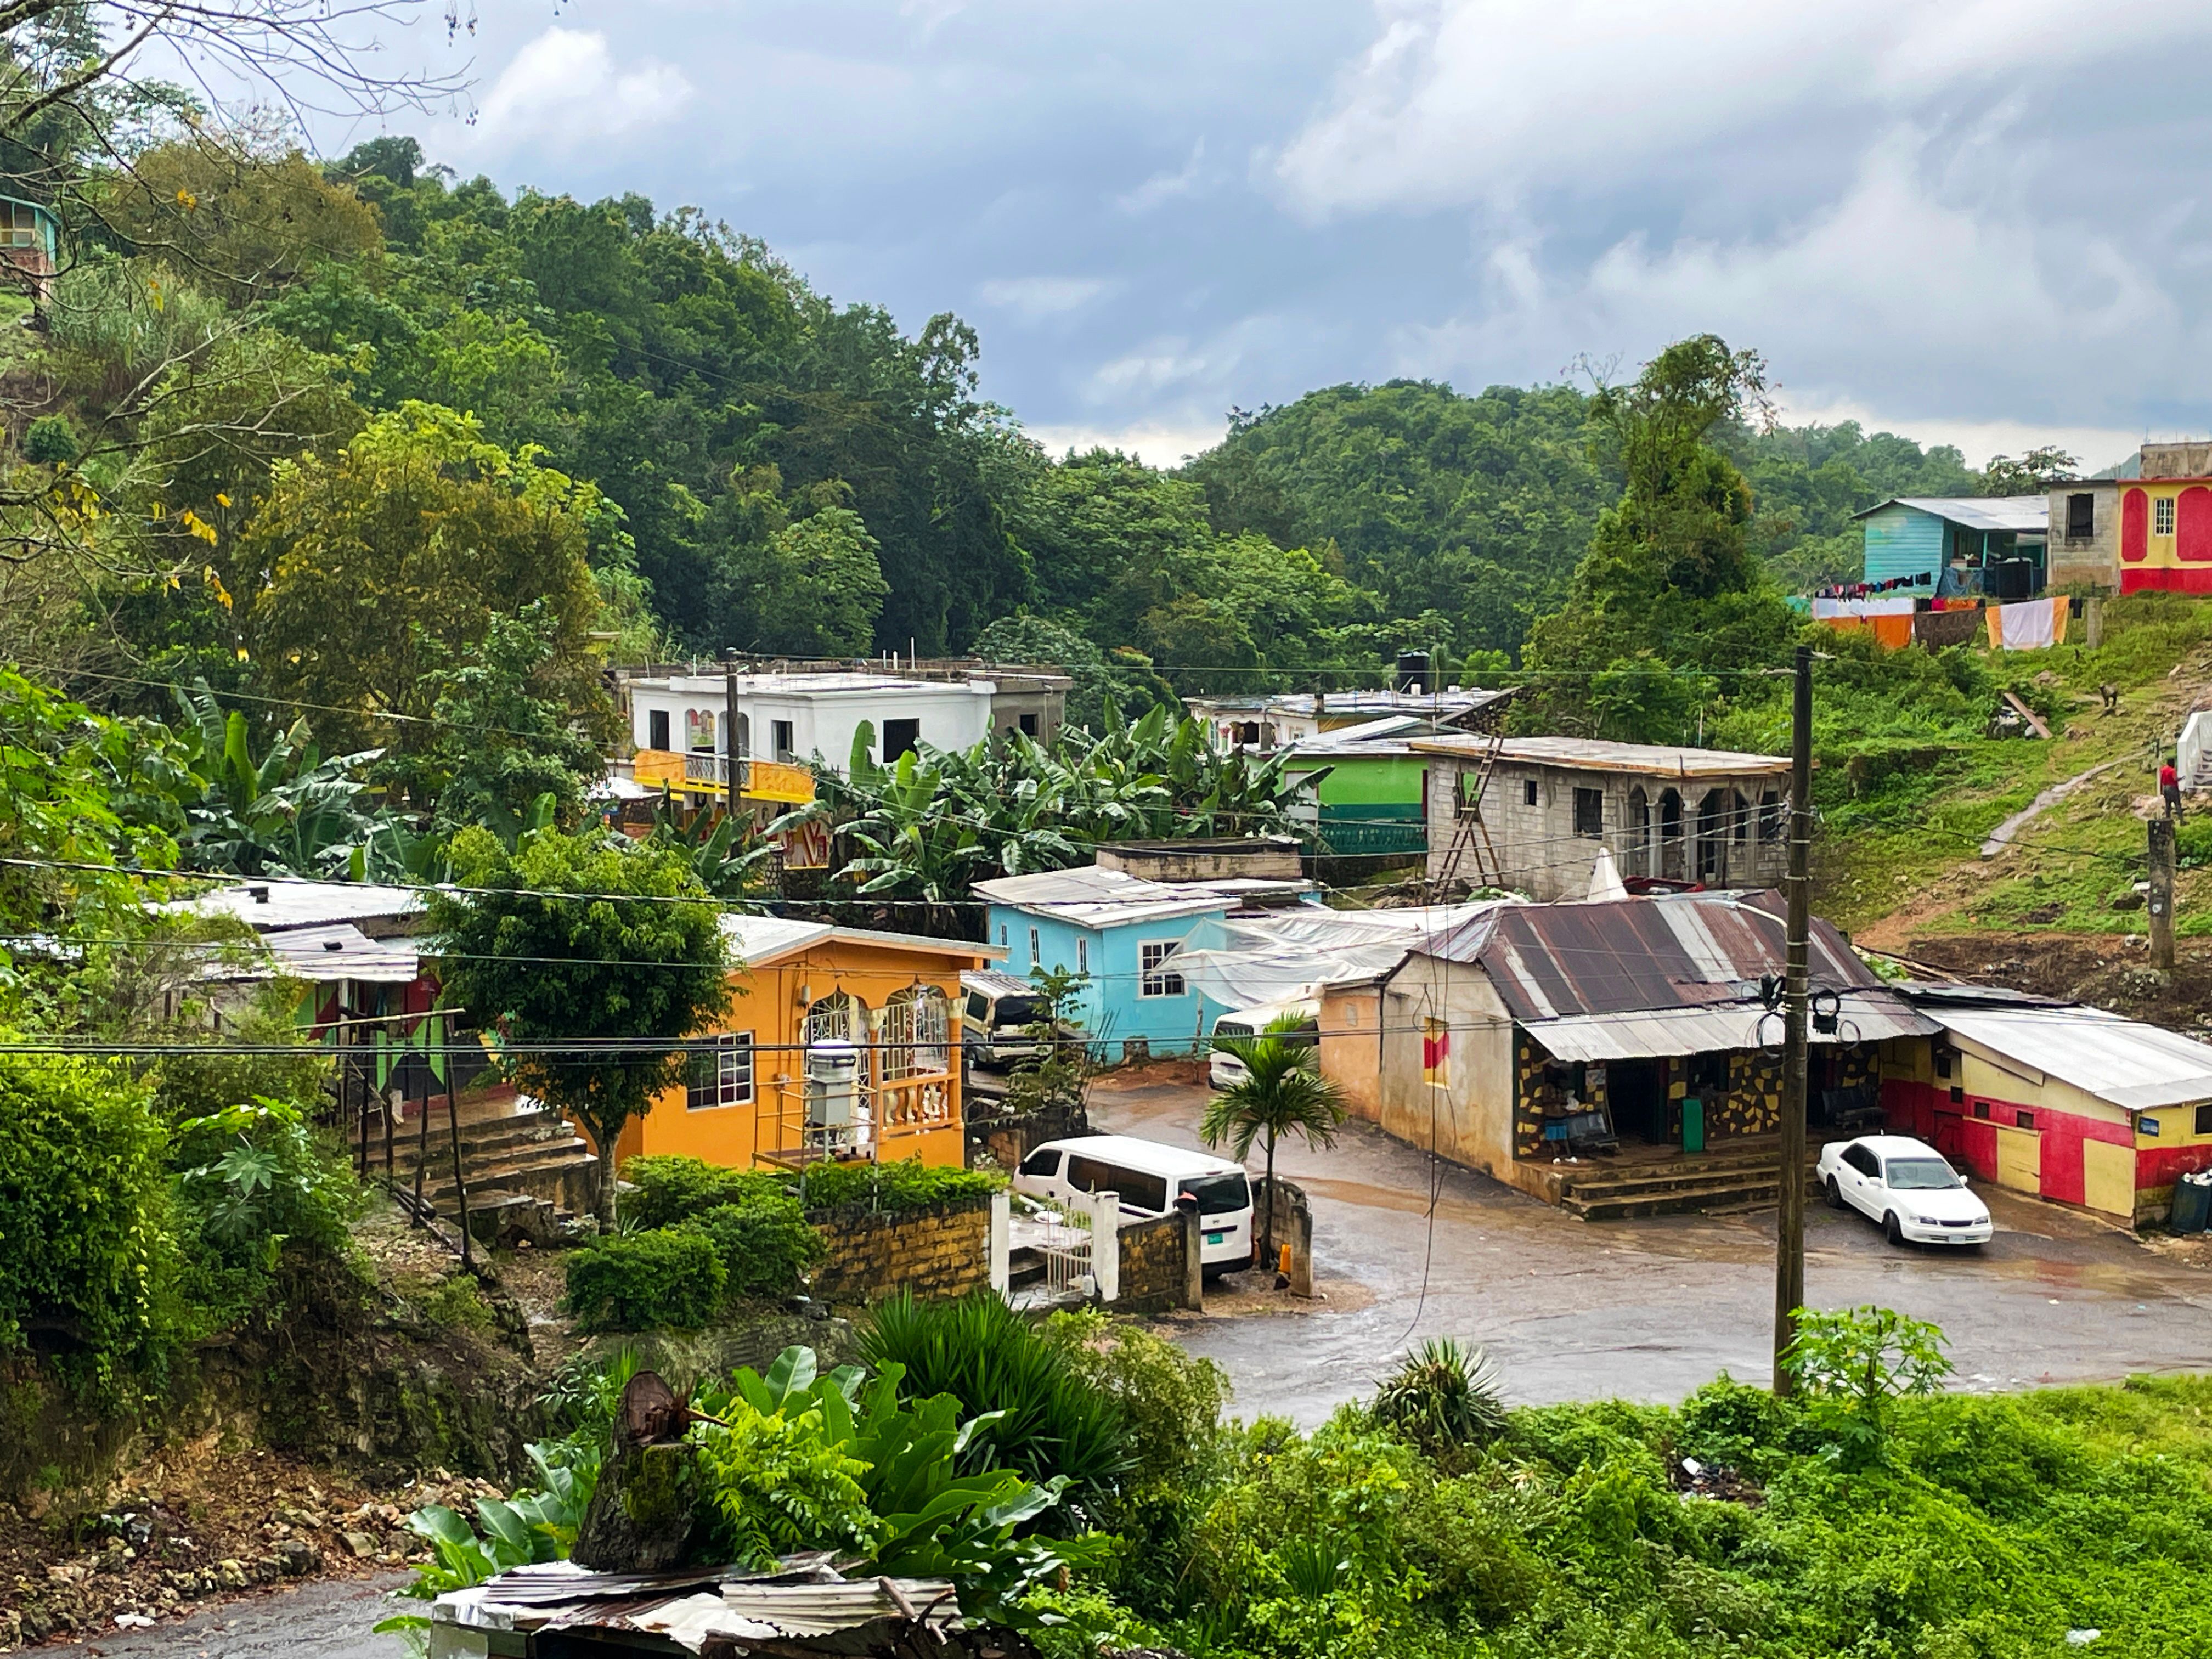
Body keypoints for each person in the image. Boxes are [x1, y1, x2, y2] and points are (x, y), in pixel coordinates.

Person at [2159, 757, 2181, 821]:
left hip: (2166, 787)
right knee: (2177, 804)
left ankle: (2168, 819)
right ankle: (2181, 820)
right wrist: (2181, 779)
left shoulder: (2163, 769)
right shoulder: (2172, 770)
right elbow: (2175, 779)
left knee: (2168, 805)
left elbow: (2162, 780)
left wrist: (2162, 790)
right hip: (2173, 788)